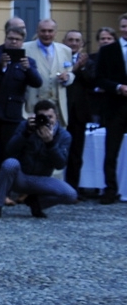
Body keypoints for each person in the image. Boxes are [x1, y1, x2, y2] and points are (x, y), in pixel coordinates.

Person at [0, 100, 77, 219]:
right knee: (10, 163)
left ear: (57, 116)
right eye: (42, 117)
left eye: (50, 117)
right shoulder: (25, 126)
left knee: (71, 194)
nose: (46, 120)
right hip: (20, 177)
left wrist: (50, 143)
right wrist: (27, 133)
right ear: (35, 117)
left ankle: (36, 204)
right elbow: (9, 150)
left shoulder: (64, 136)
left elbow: (60, 164)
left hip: (41, 180)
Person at [0, 27, 43, 158]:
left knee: (7, 153)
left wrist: (28, 69)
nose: (13, 42)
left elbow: (37, 82)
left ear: (22, 42)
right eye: (10, 38)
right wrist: (0, 66)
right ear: (5, 39)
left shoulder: (28, 62)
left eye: (17, 39)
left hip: (11, 113)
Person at [94, 13, 127, 204]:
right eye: (123, 26)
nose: (126, 29)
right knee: (111, 151)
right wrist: (118, 87)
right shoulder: (108, 50)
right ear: (119, 28)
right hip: (115, 107)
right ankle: (110, 189)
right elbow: (99, 79)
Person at [23, 19, 75, 126]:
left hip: (57, 107)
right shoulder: (25, 48)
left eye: (50, 31)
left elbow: (70, 72)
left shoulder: (65, 50)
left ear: (55, 32)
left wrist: (67, 77)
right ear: (37, 31)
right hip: (32, 105)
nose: (46, 34)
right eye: (43, 31)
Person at [63, 30, 93, 194]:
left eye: (77, 40)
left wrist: (80, 68)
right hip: (59, 110)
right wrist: (74, 69)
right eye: (70, 40)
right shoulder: (58, 57)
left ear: (82, 44)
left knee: (75, 153)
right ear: (64, 42)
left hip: (78, 113)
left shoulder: (88, 62)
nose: (73, 43)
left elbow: (91, 82)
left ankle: (72, 189)